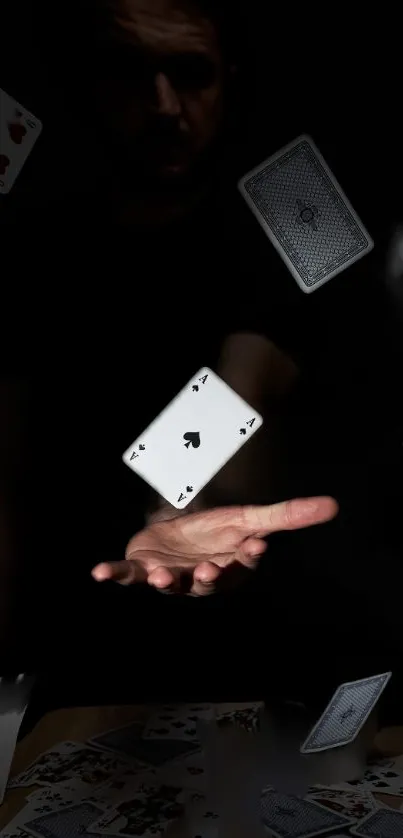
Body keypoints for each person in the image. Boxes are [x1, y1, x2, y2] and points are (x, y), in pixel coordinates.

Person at [1, 0, 402, 718]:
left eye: (189, 73)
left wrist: (182, 502)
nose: (162, 106)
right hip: (83, 656)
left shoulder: (292, 215)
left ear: (229, 79)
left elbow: (250, 370)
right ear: (86, 84)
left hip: (287, 653)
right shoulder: (39, 244)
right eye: (130, 74)